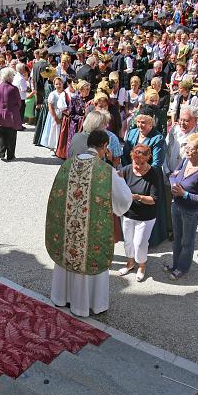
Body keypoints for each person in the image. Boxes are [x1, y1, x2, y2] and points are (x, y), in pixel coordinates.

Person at [47, 130, 133, 317]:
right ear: (104, 146)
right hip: (91, 230)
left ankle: (62, 297)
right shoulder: (105, 171)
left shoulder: (68, 164)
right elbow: (124, 200)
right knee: (88, 258)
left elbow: (57, 196)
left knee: (68, 256)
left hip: (68, 229)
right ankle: (87, 305)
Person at [165, 133, 198, 280]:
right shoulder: (185, 161)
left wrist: (184, 194)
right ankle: (175, 265)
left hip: (190, 212)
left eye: (190, 148)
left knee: (187, 241)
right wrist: (174, 184)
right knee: (177, 239)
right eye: (186, 146)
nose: (186, 150)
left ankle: (182, 268)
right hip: (176, 206)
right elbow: (173, 175)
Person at [116, 144, 162, 282]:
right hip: (128, 214)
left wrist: (138, 197)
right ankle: (130, 263)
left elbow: (154, 199)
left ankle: (141, 265)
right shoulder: (127, 169)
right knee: (128, 242)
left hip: (146, 217)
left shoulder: (153, 174)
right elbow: (116, 181)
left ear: (148, 158)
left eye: (141, 163)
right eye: (135, 162)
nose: (137, 166)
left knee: (139, 243)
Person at [0, 68, 22, 162]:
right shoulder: (14, 89)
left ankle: (1, 153)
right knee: (11, 136)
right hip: (10, 115)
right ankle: (10, 155)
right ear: (10, 77)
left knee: (1, 135)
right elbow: (19, 102)